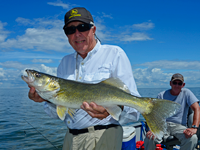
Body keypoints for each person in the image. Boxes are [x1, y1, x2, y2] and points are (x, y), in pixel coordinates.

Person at [28, 7, 141, 150]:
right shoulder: (64, 62)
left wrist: (112, 110)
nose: (77, 34)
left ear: (93, 29)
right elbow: (57, 114)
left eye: (82, 27)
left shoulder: (115, 54)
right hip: (70, 138)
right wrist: (46, 98)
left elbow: (134, 112)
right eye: (70, 30)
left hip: (104, 137)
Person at [144, 73, 199, 150]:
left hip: (179, 126)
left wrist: (194, 127)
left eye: (179, 83)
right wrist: (152, 129)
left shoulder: (187, 93)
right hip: (162, 125)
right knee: (150, 137)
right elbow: (154, 114)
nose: (177, 85)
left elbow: (197, 108)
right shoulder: (161, 95)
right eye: (174, 83)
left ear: (183, 85)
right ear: (170, 83)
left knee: (192, 138)